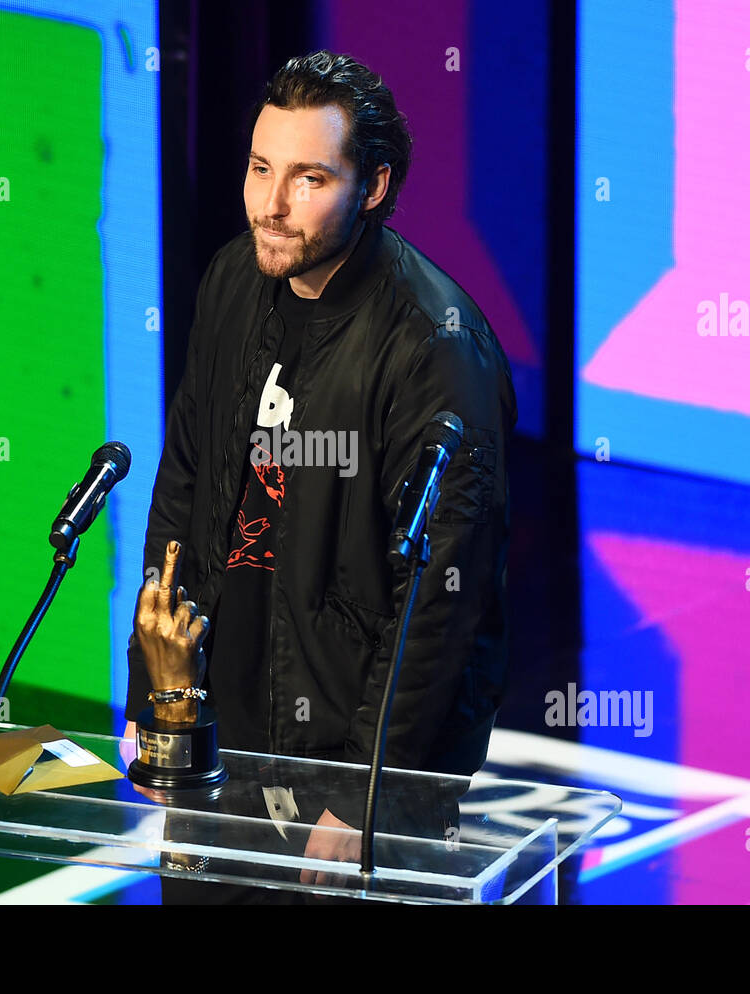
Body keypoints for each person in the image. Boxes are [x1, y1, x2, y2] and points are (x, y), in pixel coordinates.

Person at [124, 50, 517, 904]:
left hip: (354, 767)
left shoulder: (435, 349)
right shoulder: (235, 277)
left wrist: (363, 795)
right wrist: (155, 700)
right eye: (260, 168)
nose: (270, 204)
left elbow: (440, 601)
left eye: (308, 178)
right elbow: (185, 485)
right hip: (224, 735)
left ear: (372, 189)